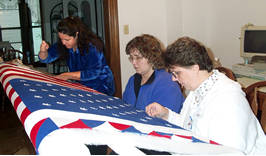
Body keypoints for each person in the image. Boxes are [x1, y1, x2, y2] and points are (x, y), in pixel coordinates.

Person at [145, 36, 266, 154]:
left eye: (177, 73)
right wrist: (166, 114)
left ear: (195, 68)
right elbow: (189, 126)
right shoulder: (197, 90)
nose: (173, 79)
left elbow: (231, 152)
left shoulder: (228, 99)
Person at [38, 16, 115, 96]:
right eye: (61, 39)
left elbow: (93, 72)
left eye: (67, 40)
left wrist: (67, 75)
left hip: (101, 85)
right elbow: (46, 59)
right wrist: (43, 51)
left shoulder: (92, 46)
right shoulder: (64, 44)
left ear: (76, 34)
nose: (63, 43)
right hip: (82, 86)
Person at [123, 34, 184, 113]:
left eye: (138, 57)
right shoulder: (133, 80)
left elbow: (163, 121)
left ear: (152, 57)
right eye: (131, 58)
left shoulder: (167, 83)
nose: (134, 62)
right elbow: (124, 108)